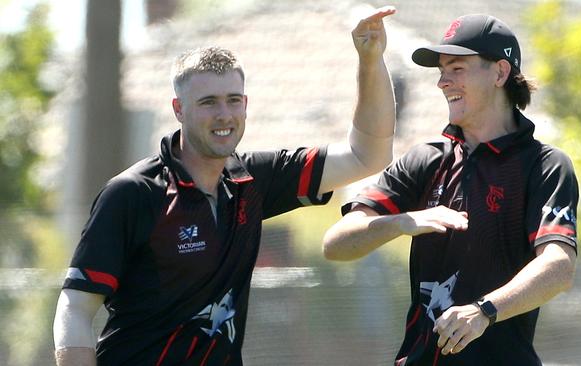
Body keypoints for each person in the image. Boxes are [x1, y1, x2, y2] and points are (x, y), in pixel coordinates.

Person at [52, 7, 397, 366]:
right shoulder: (133, 193)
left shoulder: (254, 179)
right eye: (208, 102)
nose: (224, 114)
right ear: (178, 109)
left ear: (245, 105)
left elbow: (366, 155)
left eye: (233, 100)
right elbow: (75, 307)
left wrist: (370, 61)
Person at [323, 14, 578, 366]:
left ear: (500, 73)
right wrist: (401, 222)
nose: (443, 82)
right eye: (441, 71)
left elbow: (559, 266)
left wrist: (484, 311)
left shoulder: (545, 166)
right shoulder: (425, 160)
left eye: (457, 68)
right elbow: (336, 243)